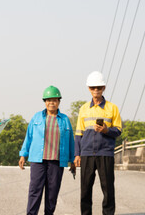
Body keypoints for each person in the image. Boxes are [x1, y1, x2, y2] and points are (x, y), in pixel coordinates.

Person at [19, 86, 75, 215]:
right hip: (38, 160)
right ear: (45, 102)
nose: (51, 103)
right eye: (49, 100)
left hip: (56, 161)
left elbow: (71, 141)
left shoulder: (65, 120)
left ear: (59, 102)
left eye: (54, 100)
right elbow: (29, 137)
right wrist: (23, 155)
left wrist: (72, 160)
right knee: (35, 191)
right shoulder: (37, 118)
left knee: (52, 193)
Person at [73, 71, 122, 215]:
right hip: (87, 153)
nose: (96, 90)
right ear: (89, 89)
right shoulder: (83, 109)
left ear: (104, 88)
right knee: (85, 189)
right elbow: (78, 134)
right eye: (93, 88)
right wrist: (77, 154)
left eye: (99, 87)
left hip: (105, 153)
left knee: (108, 189)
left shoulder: (112, 108)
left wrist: (107, 130)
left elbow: (118, 130)